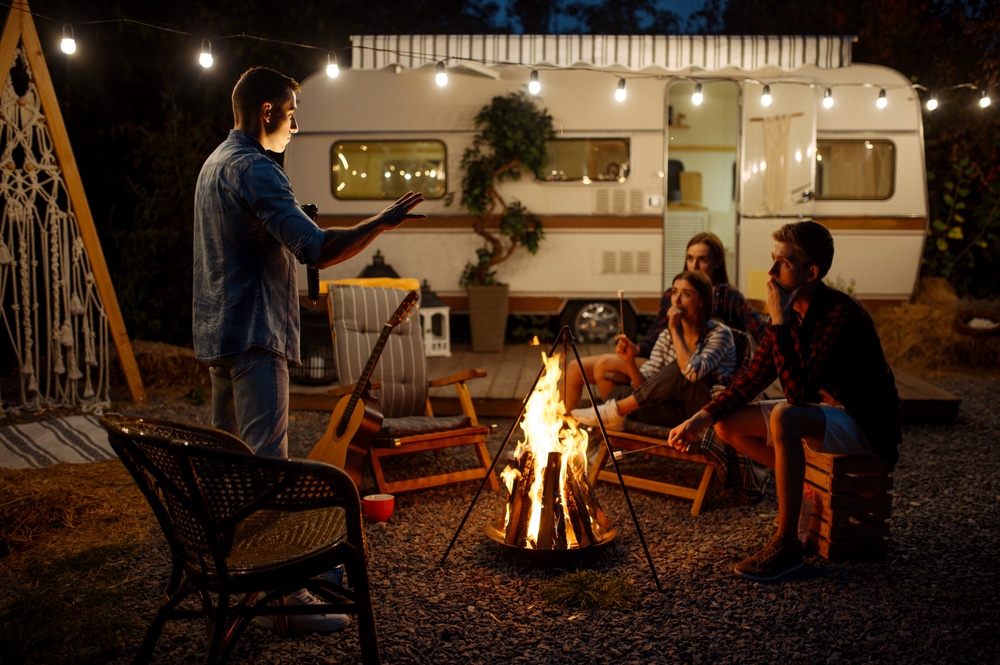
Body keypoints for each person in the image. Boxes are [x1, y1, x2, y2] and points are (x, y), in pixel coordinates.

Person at [193, 66, 425, 632]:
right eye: (293, 114)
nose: (297, 126)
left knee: (230, 469)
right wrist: (383, 221)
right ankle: (284, 605)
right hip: (255, 336)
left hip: (219, 336)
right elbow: (315, 249)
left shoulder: (214, 164)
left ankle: (234, 588)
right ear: (268, 111)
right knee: (266, 471)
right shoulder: (252, 168)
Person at [668, 220, 901, 582]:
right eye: (772, 259)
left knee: (785, 415)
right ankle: (802, 481)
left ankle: (787, 544)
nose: (772, 271)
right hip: (828, 413)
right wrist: (698, 419)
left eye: (784, 263)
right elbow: (753, 378)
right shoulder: (790, 312)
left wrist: (776, 322)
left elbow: (799, 394)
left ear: (812, 272)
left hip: (865, 422)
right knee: (727, 423)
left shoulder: (841, 315)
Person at [563, 232, 766, 412]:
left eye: (702, 260)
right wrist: (636, 349)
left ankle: (616, 417)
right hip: (663, 355)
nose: (694, 265)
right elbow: (658, 332)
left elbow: (760, 334)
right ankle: (573, 428)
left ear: (717, 262)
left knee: (606, 366)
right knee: (576, 367)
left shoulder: (727, 298)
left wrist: (751, 379)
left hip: (703, 372)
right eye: (690, 258)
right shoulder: (672, 299)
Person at [570, 270, 738, 432]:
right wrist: (630, 362)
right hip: (676, 410)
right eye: (674, 292)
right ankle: (615, 409)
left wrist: (675, 331)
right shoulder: (667, 335)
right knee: (619, 393)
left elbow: (693, 372)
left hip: (706, 411)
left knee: (682, 366)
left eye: (686, 294)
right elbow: (646, 388)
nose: (677, 300)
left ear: (701, 301)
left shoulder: (719, 333)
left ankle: (615, 410)